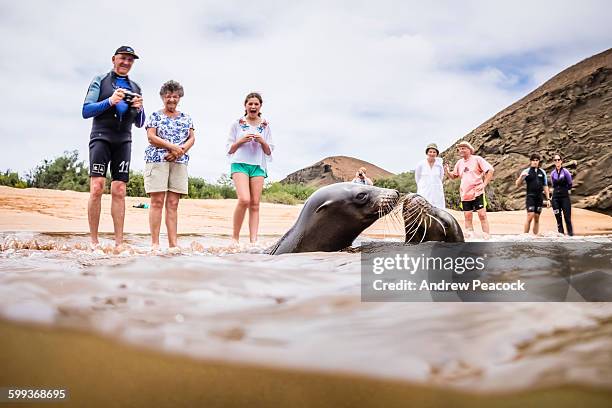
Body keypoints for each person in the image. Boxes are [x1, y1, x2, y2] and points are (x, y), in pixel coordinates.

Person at [82, 46, 145, 249]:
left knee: (119, 190)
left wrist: (140, 109)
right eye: (123, 58)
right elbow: (86, 110)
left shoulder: (135, 86)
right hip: (101, 136)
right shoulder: (100, 80)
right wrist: (110, 101)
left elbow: (140, 123)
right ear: (114, 59)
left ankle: (119, 243)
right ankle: (94, 241)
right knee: (97, 187)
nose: (126, 62)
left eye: (130, 60)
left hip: (124, 140)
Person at [144, 80, 195, 250]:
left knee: (173, 204)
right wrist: (172, 147)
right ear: (162, 97)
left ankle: (173, 244)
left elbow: (191, 138)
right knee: (157, 201)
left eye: (175, 96)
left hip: (179, 162)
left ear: (179, 97)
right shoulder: (155, 116)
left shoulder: (186, 117)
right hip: (157, 160)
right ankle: (155, 244)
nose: (171, 99)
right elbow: (151, 137)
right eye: (168, 96)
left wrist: (179, 151)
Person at [227, 92, 274, 244]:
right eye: (250, 104)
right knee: (244, 199)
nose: (253, 106)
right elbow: (230, 149)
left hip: (258, 165)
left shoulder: (265, 125)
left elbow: (268, 151)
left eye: (256, 104)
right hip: (239, 163)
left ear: (260, 106)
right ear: (245, 105)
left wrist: (262, 142)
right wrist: (240, 141)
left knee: (255, 203)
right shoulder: (237, 123)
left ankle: (253, 240)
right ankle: (235, 238)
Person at [445, 140, 494, 239]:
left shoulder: (477, 159)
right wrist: (447, 171)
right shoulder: (459, 163)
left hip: (477, 192)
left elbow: (490, 170)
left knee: (482, 215)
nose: (461, 150)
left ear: (470, 150)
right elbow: (454, 176)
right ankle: (471, 238)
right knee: (467, 216)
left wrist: (484, 184)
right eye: (460, 149)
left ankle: (487, 237)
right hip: (465, 194)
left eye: (464, 148)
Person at [515, 153, 551, 235]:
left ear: (538, 162)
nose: (535, 162)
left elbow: (545, 186)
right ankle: (525, 236)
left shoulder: (542, 172)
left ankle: (535, 236)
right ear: (531, 161)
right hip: (530, 196)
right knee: (530, 215)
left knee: (537, 218)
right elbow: (517, 184)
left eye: (537, 160)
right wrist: (521, 177)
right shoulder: (526, 171)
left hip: (539, 197)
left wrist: (548, 199)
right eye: (533, 160)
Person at [414, 143, 445, 208]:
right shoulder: (421, 164)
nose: (432, 154)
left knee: (437, 210)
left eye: (434, 152)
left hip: (436, 191)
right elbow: (417, 178)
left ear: (436, 154)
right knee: (423, 208)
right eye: (430, 152)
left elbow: (441, 177)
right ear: (427, 153)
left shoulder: (439, 165)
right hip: (424, 191)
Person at [550, 153, 574, 236]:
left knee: (567, 218)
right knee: (558, 219)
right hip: (555, 198)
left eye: (558, 160)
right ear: (554, 162)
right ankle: (561, 236)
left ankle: (571, 236)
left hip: (564, 198)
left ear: (561, 161)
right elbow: (553, 185)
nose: (557, 161)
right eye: (555, 160)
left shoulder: (566, 172)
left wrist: (564, 190)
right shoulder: (553, 173)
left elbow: (570, 184)